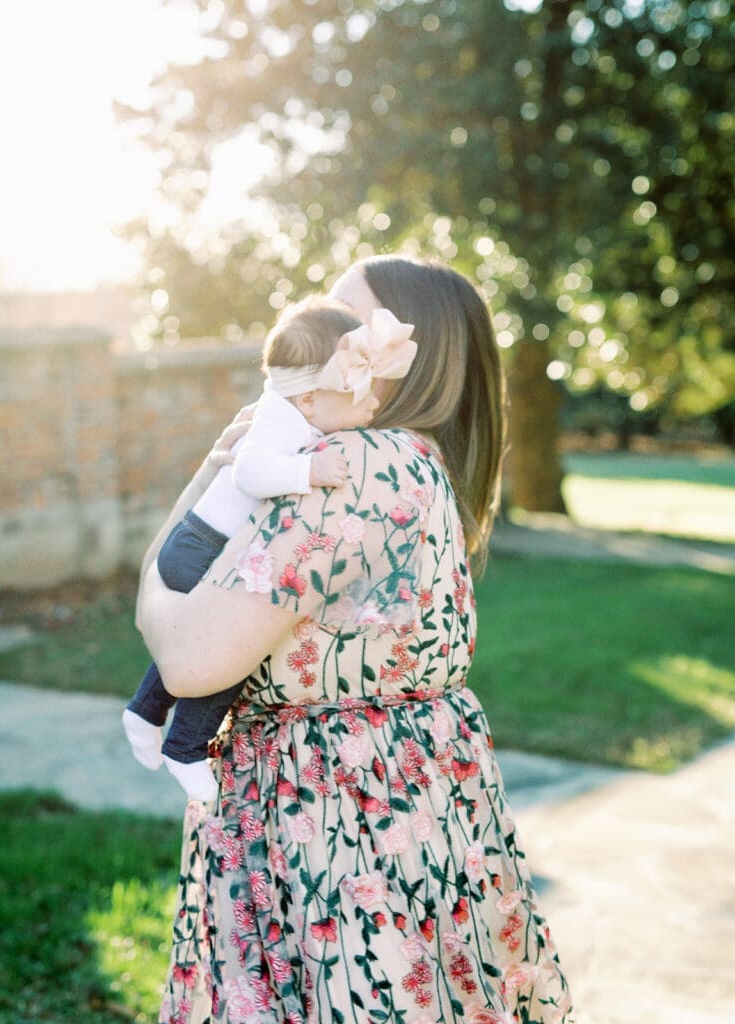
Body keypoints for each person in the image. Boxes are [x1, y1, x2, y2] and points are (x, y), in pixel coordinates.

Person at [138, 255, 575, 1024]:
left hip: (333, 816)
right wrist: (227, 465)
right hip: (409, 798)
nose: (321, 338)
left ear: (411, 355)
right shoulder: (416, 463)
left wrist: (155, 563)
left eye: (347, 324)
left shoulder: (357, 463)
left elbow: (186, 656)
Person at [123, 295, 417, 800]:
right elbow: (250, 471)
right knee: (227, 652)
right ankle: (186, 748)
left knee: (190, 638)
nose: (374, 403)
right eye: (362, 392)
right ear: (308, 400)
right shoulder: (280, 421)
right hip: (203, 546)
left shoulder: (297, 418)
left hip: (199, 541)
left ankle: (143, 712)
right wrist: (309, 472)